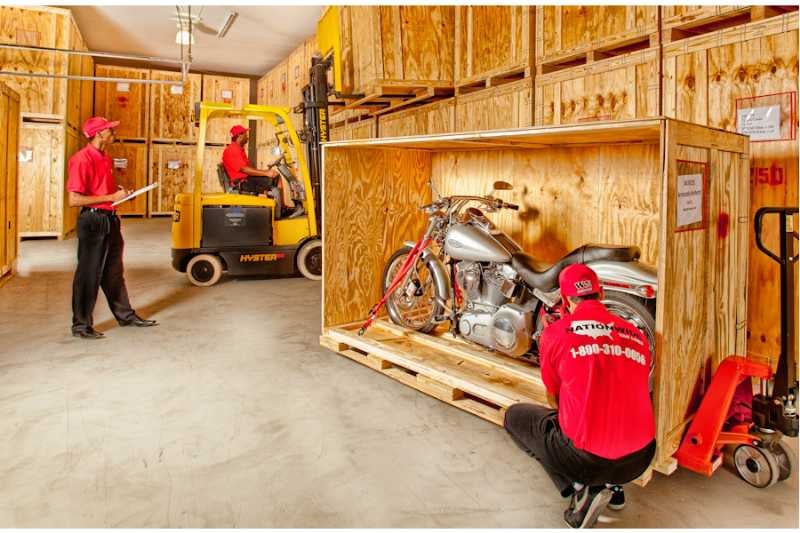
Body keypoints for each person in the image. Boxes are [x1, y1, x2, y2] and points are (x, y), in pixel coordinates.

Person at [504, 264, 655, 529]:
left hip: (587, 460)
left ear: (565, 300)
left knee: (515, 418)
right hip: (641, 458)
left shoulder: (556, 334)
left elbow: (553, 397)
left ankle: (582, 488)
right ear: (602, 293)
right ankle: (615, 487)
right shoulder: (638, 336)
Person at [67, 116, 158, 339]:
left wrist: (120, 195)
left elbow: (103, 193)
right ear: (99, 134)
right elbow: (74, 199)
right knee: (88, 275)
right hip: (93, 222)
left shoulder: (105, 158)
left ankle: (125, 316)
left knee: (114, 272)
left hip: (110, 220)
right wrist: (110, 197)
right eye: (109, 129)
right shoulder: (81, 159)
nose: (113, 132)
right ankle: (81, 326)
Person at [222, 125, 295, 212]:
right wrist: (265, 173)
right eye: (245, 134)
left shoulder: (238, 149)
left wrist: (264, 171)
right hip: (243, 183)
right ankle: (282, 208)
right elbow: (244, 169)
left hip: (247, 179)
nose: (247, 136)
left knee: (274, 176)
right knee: (276, 177)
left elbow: (247, 168)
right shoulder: (232, 150)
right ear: (239, 135)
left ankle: (279, 207)